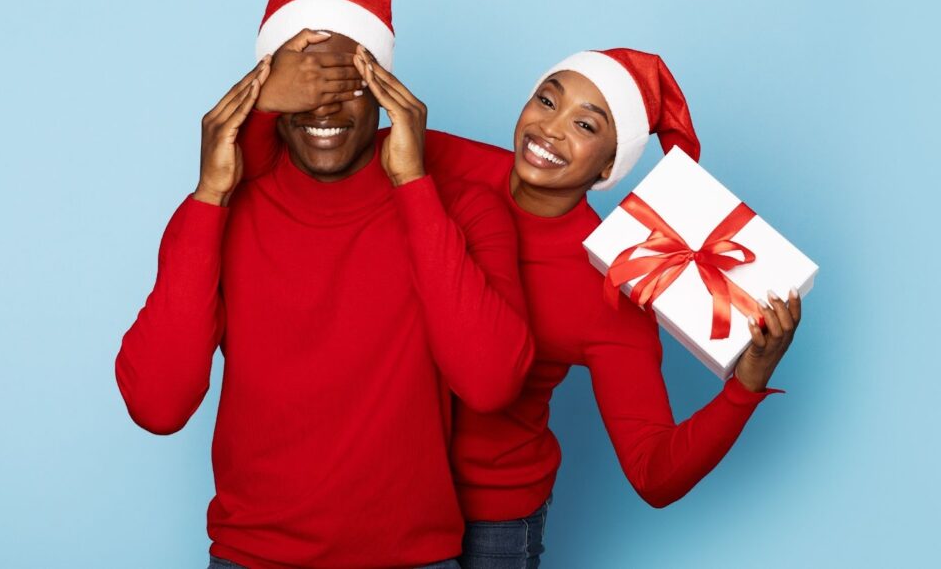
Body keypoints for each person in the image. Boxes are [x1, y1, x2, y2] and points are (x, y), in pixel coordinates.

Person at [243, 45, 804, 568]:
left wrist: (744, 386)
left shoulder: (609, 284)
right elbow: (306, 157)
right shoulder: (441, 160)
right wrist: (272, 97)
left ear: (611, 163)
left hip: (493, 519)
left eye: (585, 125)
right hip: (382, 498)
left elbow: (654, 473)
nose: (551, 129)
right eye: (547, 99)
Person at [114, 0, 535, 569]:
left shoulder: (459, 209)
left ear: (386, 92)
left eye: (348, 83)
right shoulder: (220, 216)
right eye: (302, 86)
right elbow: (159, 403)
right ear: (266, 97)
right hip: (252, 558)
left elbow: (491, 382)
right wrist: (209, 192)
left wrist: (413, 185)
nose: (325, 105)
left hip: (412, 559)